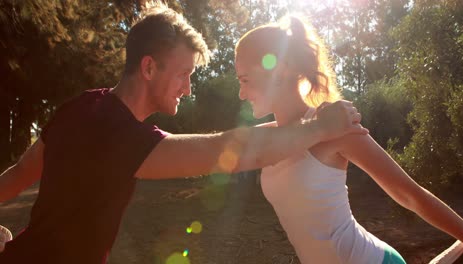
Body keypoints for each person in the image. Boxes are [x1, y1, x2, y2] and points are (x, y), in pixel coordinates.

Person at [0, 4, 367, 264]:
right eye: (183, 74)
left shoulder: (82, 106)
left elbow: (18, 174)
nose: (188, 88)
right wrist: (320, 127)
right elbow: (228, 150)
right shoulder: (121, 137)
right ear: (148, 68)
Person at [234, 15, 463, 264]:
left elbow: (410, 194)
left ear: (279, 70)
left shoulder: (335, 128)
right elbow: (206, 151)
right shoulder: (264, 137)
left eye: (245, 80)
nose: (241, 93)